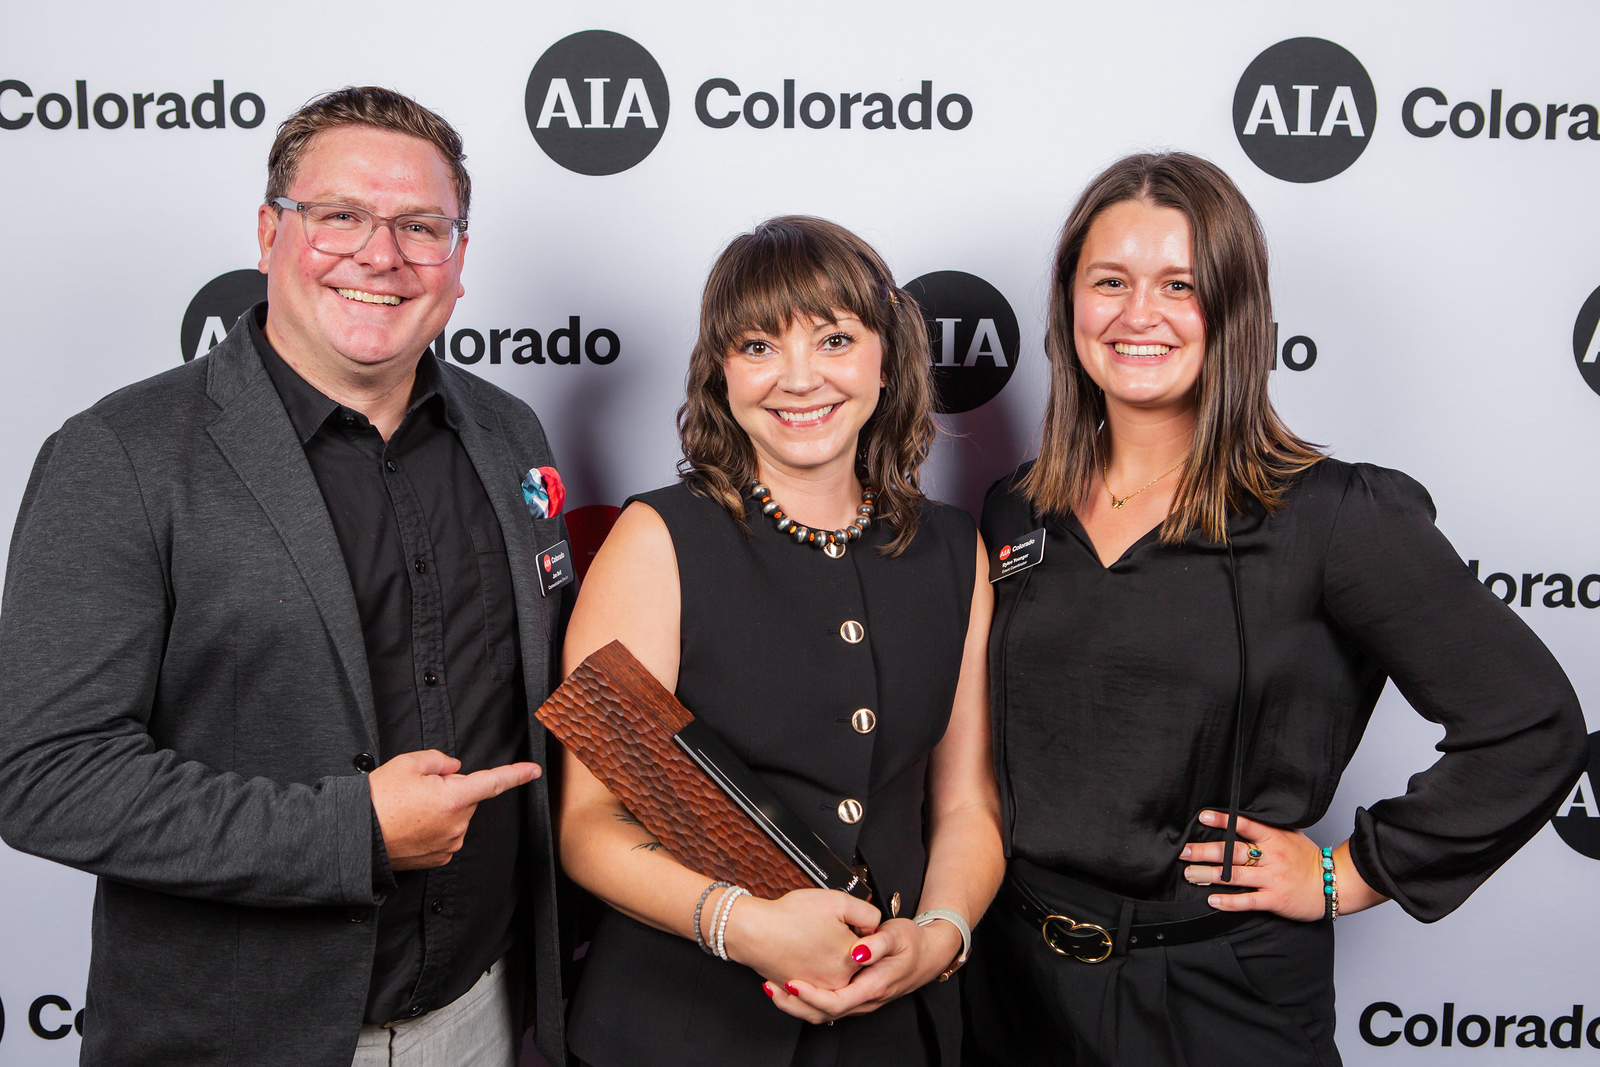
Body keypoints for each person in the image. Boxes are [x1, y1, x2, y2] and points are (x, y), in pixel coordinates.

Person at [961, 152, 1587, 1066]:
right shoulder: (1017, 508)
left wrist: (1350, 873)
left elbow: (1531, 723)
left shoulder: (1335, 515)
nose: (1139, 314)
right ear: (1069, 305)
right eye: (1110, 281)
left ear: (1236, 310)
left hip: (1217, 995)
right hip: (1013, 986)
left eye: (1180, 284)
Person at [0, 87, 573, 1067]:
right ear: (271, 233)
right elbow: (46, 774)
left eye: (419, 226)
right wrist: (353, 832)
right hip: (239, 1037)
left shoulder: (508, 431)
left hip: (482, 1014)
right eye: (340, 215)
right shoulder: (123, 454)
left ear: (459, 257)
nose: (380, 255)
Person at [557, 216, 1004, 1066]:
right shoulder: (657, 539)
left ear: (886, 358)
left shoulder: (955, 549)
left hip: (892, 1029)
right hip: (682, 1030)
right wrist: (745, 926)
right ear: (721, 373)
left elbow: (965, 807)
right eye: (759, 346)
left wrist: (939, 936)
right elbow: (588, 822)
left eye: (835, 339)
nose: (799, 379)